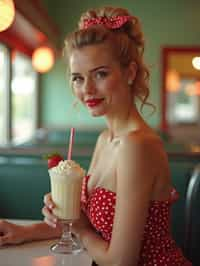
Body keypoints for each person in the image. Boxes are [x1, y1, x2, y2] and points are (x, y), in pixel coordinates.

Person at [0, 6, 191, 266]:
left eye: (100, 74)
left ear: (130, 73)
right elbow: (91, 227)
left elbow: (121, 260)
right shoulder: (105, 138)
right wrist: (26, 232)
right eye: (78, 78)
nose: (87, 89)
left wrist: (79, 228)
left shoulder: (138, 145)